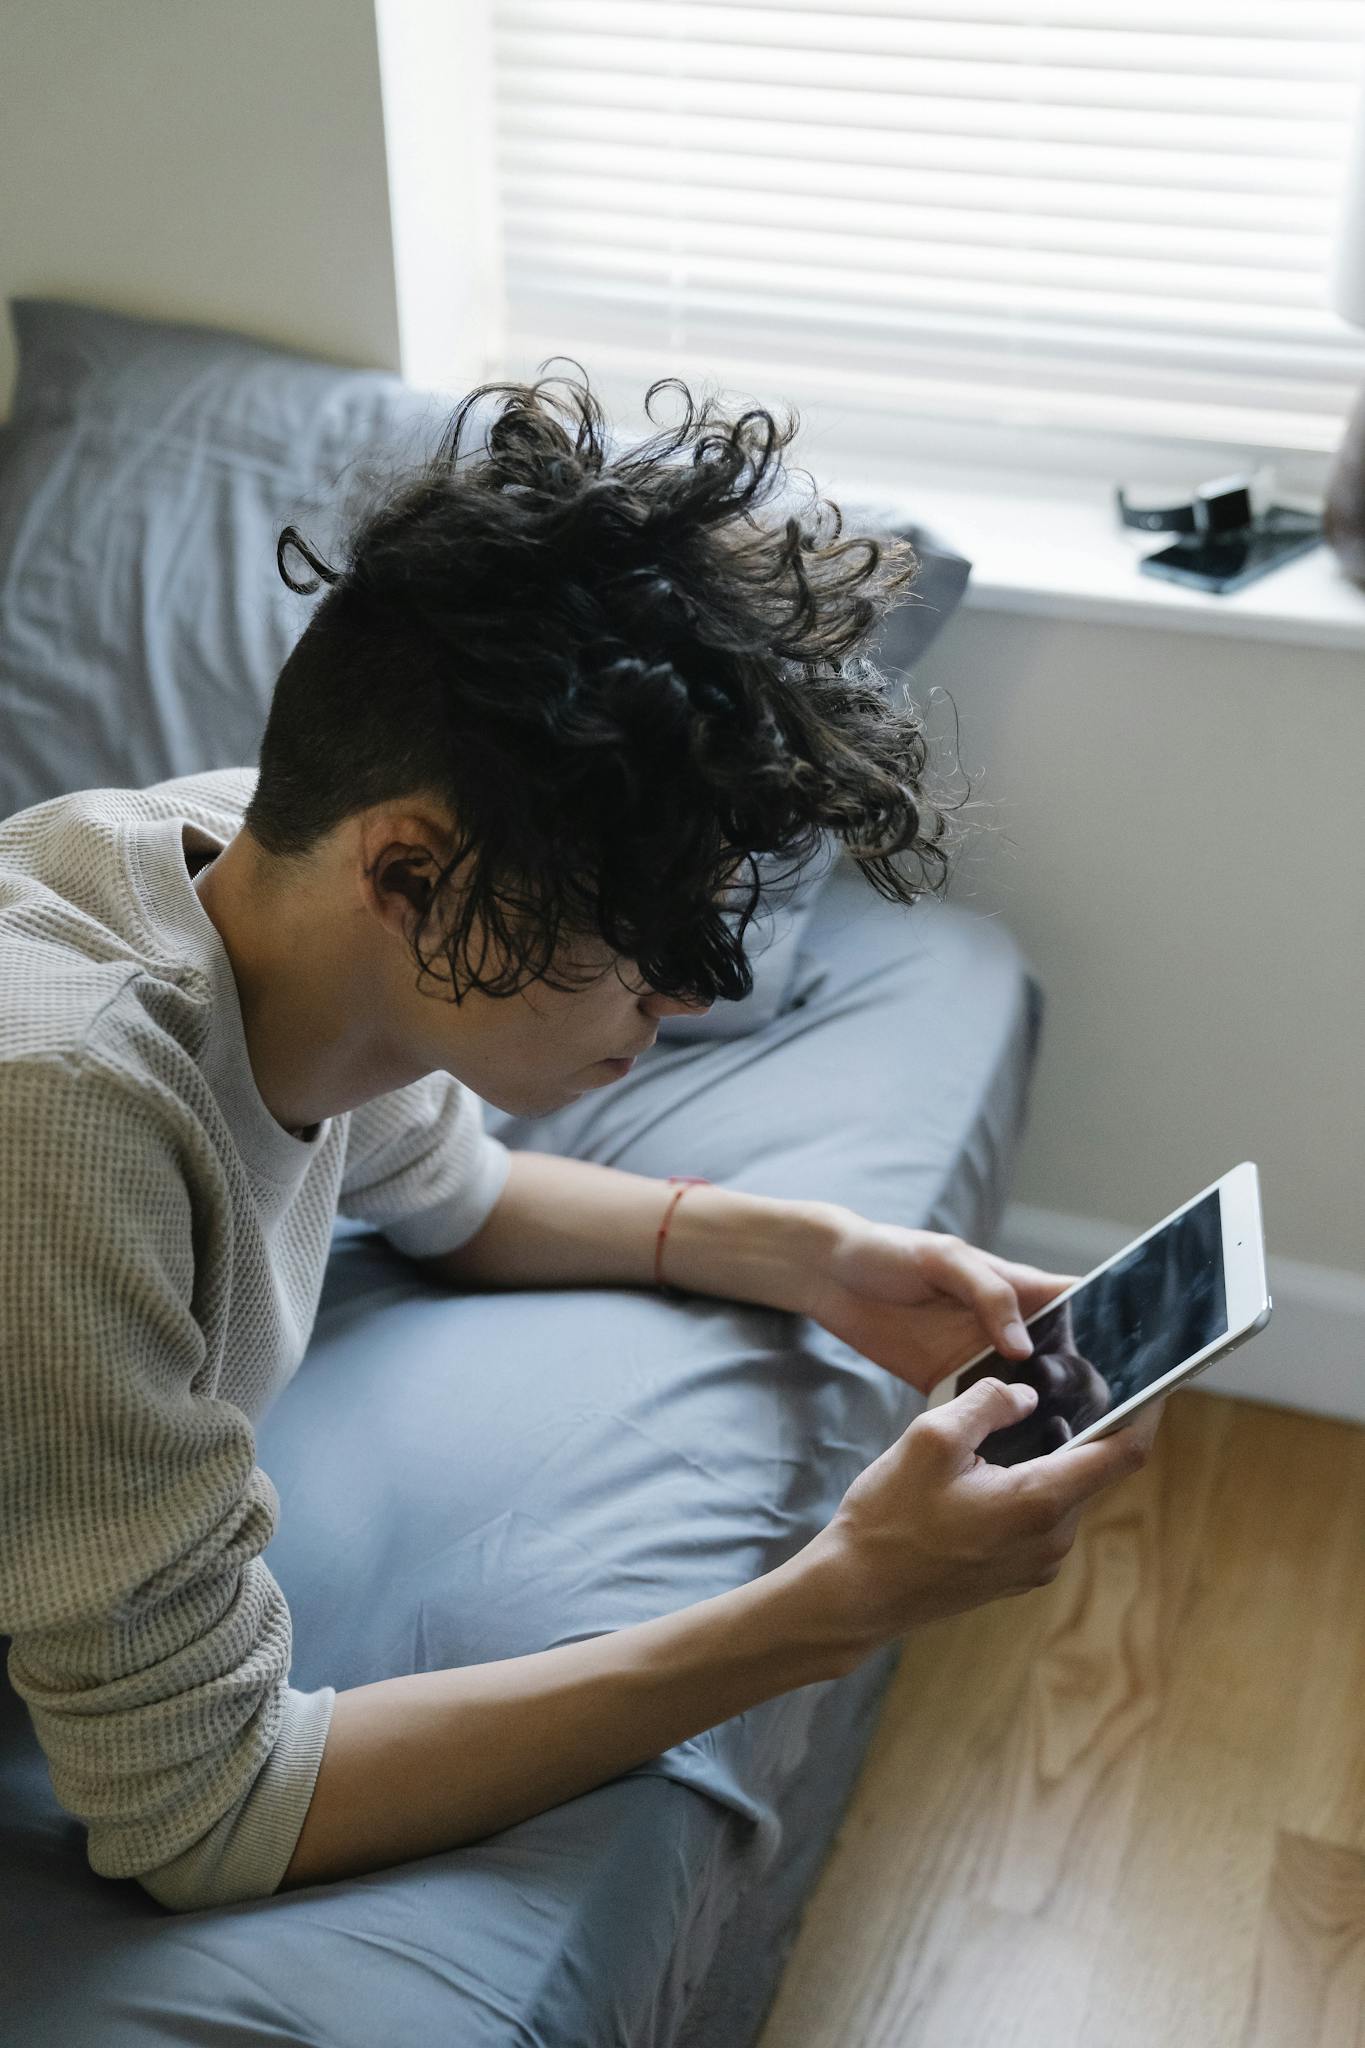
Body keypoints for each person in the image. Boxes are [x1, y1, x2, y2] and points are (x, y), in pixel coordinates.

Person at [0, 366, 1164, 1914]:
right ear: (405, 875)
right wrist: (835, 1602)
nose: (679, 996)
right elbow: (203, 1810)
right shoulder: (67, 1118)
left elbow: (454, 1201)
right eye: (631, 941)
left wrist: (816, 1256)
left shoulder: (258, 874)